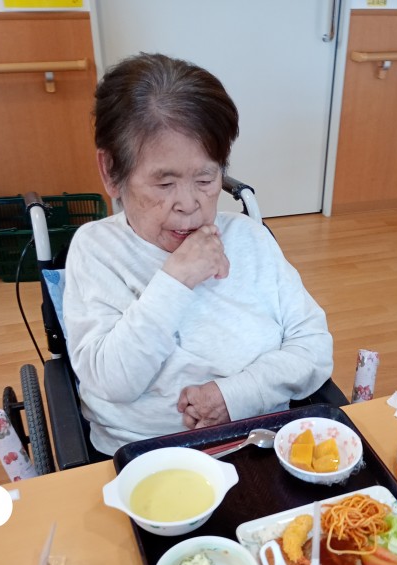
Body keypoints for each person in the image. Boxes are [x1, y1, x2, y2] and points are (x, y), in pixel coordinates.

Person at [63, 53, 333, 456]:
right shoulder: (96, 250)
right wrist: (177, 278)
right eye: (164, 184)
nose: (189, 204)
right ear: (110, 171)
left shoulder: (249, 238)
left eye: (205, 179)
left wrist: (235, 395)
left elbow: (313, 347)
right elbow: (111, 381)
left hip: (262, 443)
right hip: (148, 459)